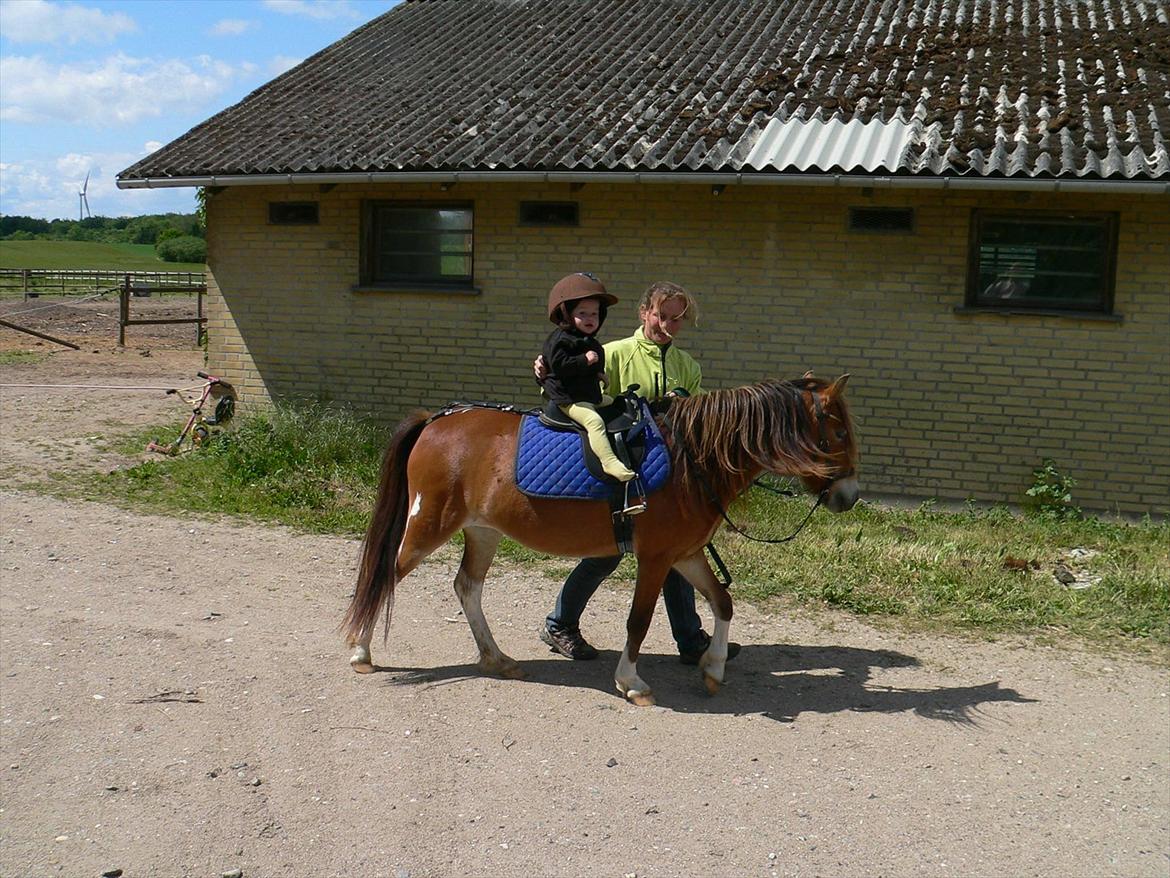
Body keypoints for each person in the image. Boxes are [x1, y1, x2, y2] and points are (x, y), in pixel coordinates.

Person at [535, 279, 741, 665]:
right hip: (617, 474)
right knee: (605, 553)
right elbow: (569, 392)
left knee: (675, 552)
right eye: (662, 315)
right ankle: (559, 623)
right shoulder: (612, 354)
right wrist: (544, 372)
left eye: (677, 320)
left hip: (665, 479)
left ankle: (690, 640)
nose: (668, 325)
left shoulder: (688, 367)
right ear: (645, 312)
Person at [541, 273, 636, 482]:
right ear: (566, 314)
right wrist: (585, 360)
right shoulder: (560, 340)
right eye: (582, 313)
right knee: (594, 422)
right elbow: (559, 367)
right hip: (569, 398)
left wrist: (600, 373)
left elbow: (596, 359)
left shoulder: (588, 340)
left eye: (594, 314)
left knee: (620, 404)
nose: (590, 318)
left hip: (588, 393)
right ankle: (609, 462)